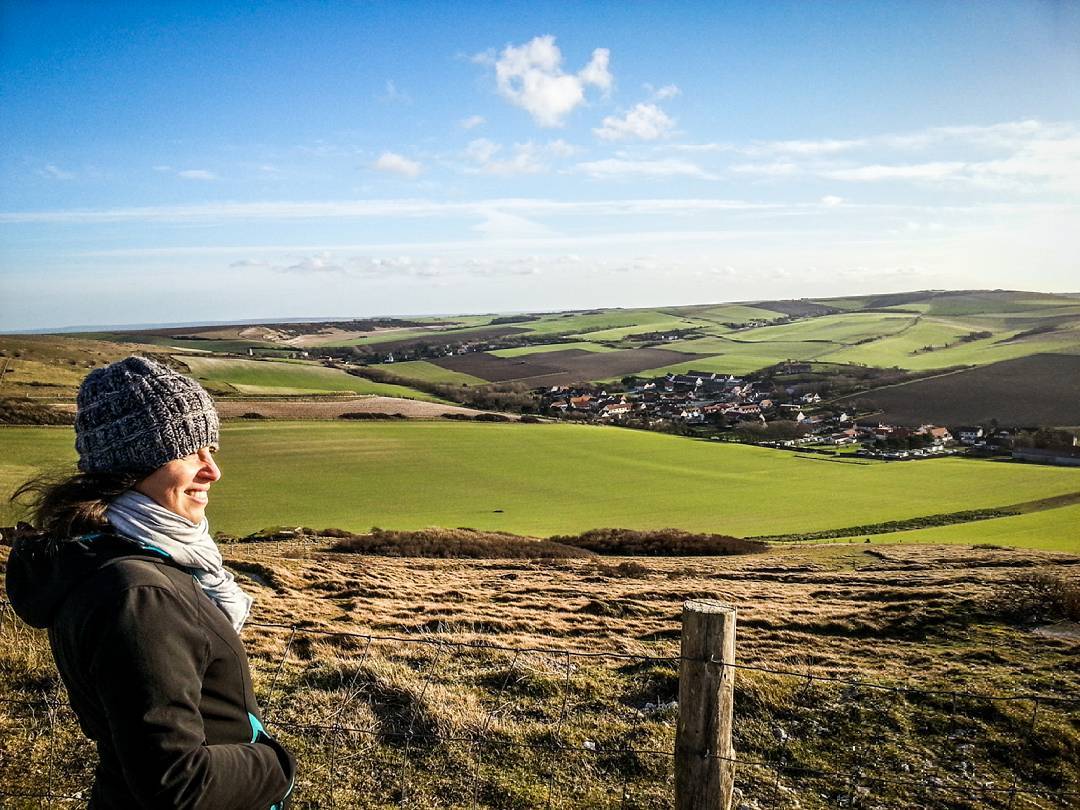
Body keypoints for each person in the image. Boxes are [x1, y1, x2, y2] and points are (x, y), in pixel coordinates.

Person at [5, 356, 295, 809]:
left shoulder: (118, 556)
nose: (212, 470)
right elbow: (176, 784)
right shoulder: (138, 595)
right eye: (187, 451)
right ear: (131, 466)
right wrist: (275, 765)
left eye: (211, 448)